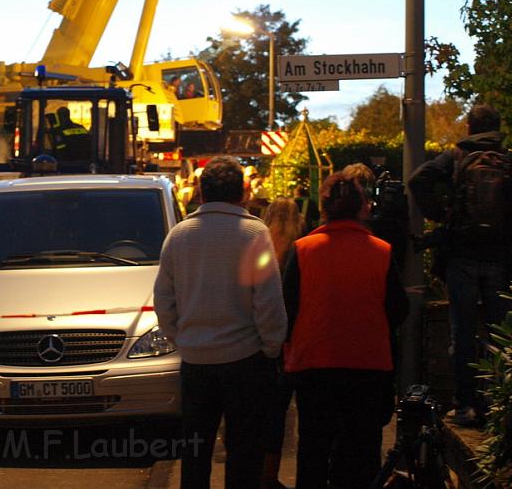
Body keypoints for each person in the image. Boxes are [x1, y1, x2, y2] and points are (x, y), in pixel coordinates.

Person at [154, 155, 287, 489]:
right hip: (245, 361)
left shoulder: (179, 236)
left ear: (200, 191)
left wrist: (181, 340)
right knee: (244, 452)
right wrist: (272, 347)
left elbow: (164, 301)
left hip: (196, 362)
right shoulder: (254, 233)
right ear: (242, 192)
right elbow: (269, 301)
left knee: (195, 451)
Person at [283, 171, 408, 489]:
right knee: (361, 450)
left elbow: (287, 307)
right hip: (368, 364)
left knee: (313, 446)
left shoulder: (302, 250)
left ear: (323, 209)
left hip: (314, 362)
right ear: (363, 208)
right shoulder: (381, 251)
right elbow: (398, 310)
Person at [407, 104, 512, 426]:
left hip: (461, 255)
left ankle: (465, 405)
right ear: (498, 128)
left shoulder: (457, 158)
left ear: (469, 127)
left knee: (462, 333)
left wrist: (441, 215)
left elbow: (418, 180)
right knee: (499, 335)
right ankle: (498, 404)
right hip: (499, 258)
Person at [260, 197, 306, 489]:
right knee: (303, 411)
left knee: (271, 414)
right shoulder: (301, 250)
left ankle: (265, 475)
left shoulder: (260, 246)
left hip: (266, 341)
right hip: (297, 341)